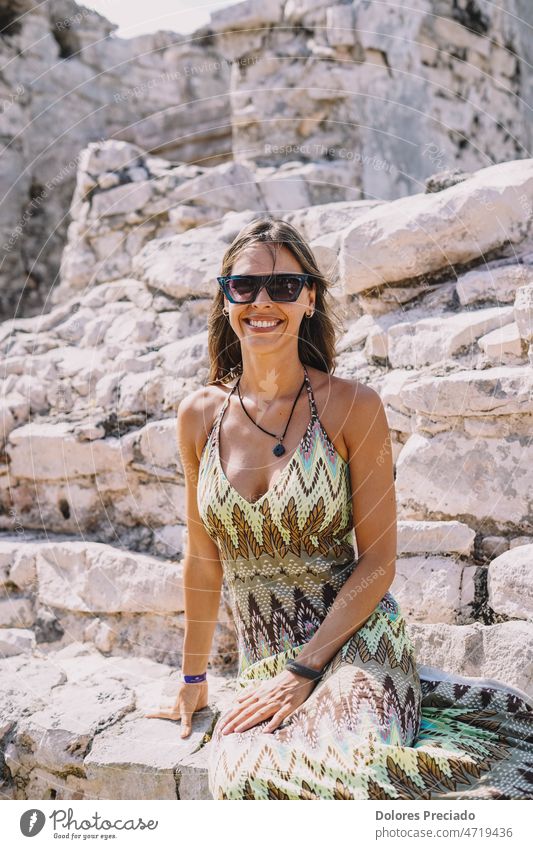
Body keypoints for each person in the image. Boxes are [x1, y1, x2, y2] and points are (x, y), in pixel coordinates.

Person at [147, 217, 533, 800]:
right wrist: (194, 679)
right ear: (226, 297)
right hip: (262, 663)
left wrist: (303, 672)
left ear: (309, 298)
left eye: (282, 287)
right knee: (251, 781)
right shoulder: (199, 415)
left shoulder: (353, 407)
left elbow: (378, 561)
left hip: (356, 642)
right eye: (244, 286)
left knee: (357, 771)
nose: (262, 302)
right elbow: (203, 561)